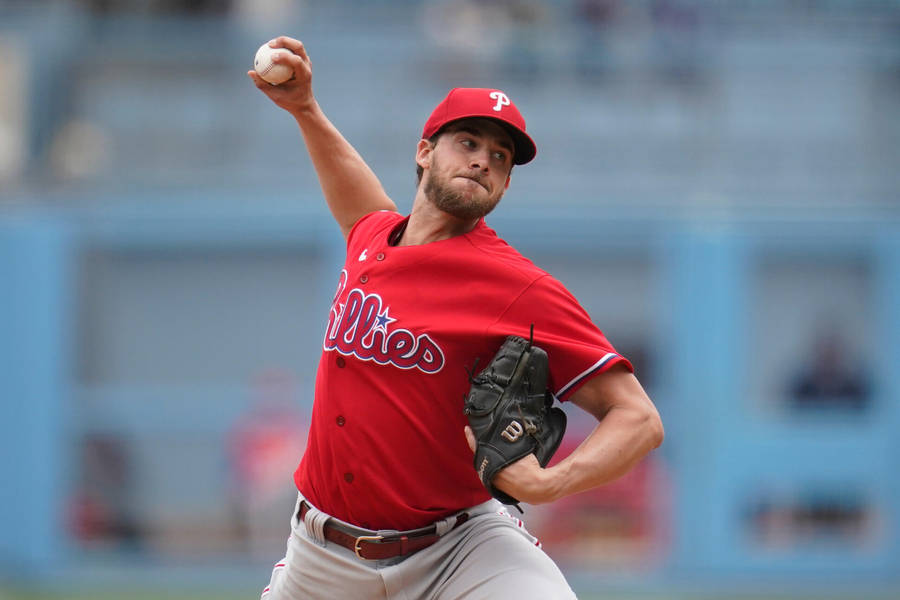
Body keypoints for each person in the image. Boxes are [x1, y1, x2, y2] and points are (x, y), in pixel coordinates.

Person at [249, 36, 664, 600]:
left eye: (500, 157)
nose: (482, 160)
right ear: (425, 152)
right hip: (321, 558)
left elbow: (638, 417)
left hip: (459, 548)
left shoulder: (517, 285)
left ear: (507, 183)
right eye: (467, 142)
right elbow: (360, 202)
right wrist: (305, 109)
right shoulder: (373, 239)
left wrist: (552, 483)